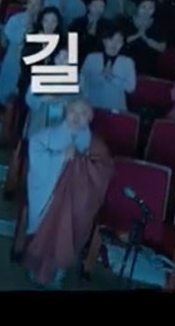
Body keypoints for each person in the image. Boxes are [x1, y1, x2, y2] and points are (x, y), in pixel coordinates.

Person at [14, 98, 114, 289]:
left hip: (77, 199)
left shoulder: (95, 144)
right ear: (65, 112)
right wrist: (60, 158)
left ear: (90, 117)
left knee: (68, 234)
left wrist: (79, 161)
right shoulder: (47, 135)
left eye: (82, 114)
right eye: (73, 112)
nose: (76, 117)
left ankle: (58, 273)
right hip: (48, 195)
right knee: (45, 230)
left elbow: (104, 167)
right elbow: (36, 150)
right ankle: (36, 269)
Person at [0, 0, 43, 105]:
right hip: (14, 56)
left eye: (37, 4)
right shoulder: (15, 19)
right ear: (27, 4)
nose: (33, 7)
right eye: (31, 3)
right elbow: (13, 39)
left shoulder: (41, 23)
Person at [80, 25, 136, 112]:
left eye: (119, 41)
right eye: (111, 40)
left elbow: (131, 88)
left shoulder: (128, 62)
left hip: (116, 107)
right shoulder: (91, 58)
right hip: (91, 106)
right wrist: (101, 76)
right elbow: (82, 82)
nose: (114, 44)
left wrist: (112, 78)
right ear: (104, 41)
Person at [24, 48, 77, 138]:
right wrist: (43, 99)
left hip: (63, 128)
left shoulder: (77, 80)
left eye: (66, 57)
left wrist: (66, 103)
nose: (61, 61)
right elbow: (29, 99)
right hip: (39, 124)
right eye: (59, 57)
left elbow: (79, 102)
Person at [123, 0, 167, 77]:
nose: (146, 11)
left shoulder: (158, 24)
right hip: (127, 58)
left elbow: (162, 48)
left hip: (149, 61)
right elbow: (122, 41)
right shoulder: (127, 21)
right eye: (143, 7)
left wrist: (145, 38)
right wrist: (137, 35)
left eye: (150, 8)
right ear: (137, 7)